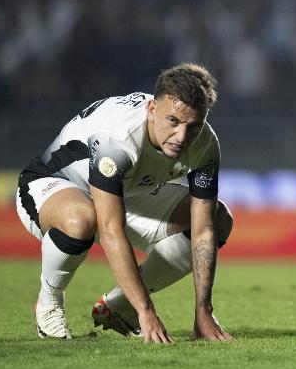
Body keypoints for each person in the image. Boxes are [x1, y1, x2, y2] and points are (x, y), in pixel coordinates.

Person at [16, 63, 234, 343]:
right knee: (82, 219)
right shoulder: (117, 141)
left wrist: (203, 309)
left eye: (193, 126)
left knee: (218, 219)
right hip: (53, 185)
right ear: (152, 109)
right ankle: (49, 303)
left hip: (126, 191)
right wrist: (146, 310)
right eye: (173, 121)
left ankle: (119, 306)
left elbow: (203, 230)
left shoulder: (204, 144)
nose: (181, 137)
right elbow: (110, 231)